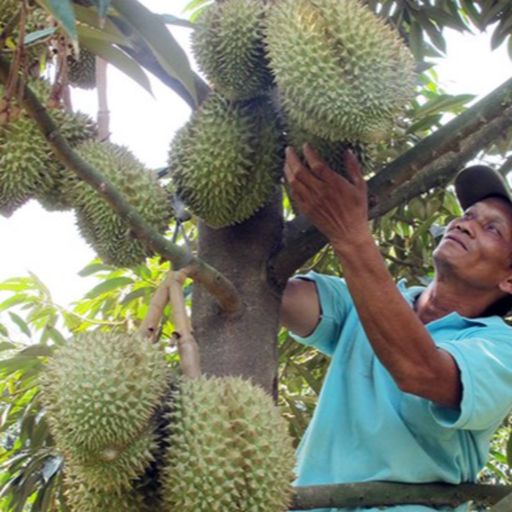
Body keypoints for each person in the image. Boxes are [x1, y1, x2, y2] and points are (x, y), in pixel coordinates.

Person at [280, 143, 512, 512]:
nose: (465, 224)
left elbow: (421, 371)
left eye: (492, 229)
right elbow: (278, 297)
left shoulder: (500, 346)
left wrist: (351, 234)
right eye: (468, 215)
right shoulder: (371, 301)